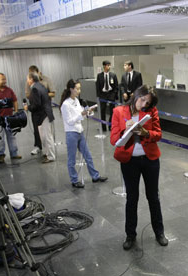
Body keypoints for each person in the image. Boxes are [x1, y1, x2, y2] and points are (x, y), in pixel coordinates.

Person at [110, 85, 168, 250]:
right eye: (142, 99)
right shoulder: (119, 111)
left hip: (150, 160)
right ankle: (130, 235)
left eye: (147, 102)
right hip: (129, 162)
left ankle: (159, 232)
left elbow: (158, 134)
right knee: (132, 198)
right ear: (136, 95)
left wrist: (146, 133)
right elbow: (114, 139)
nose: (143, 104)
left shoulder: (151, 112)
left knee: (153, 197)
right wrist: (125, 130)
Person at [60, 79, 107, 188]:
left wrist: (88, 111)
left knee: (88, 155)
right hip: (71, 133)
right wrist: (81, 114)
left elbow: (81, 114)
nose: (79, 91)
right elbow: (70, 121)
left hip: (80, 131)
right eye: (77, 88)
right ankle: (74, 180)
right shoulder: (65, 105)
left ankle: (95, 176)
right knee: (72, 159)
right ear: (71, 89)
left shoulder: (76, 100)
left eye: (79, 88)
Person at [25, 65, 56, 157]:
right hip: (43, 113)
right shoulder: (40, 85)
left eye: (28, 78)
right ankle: (47, 153)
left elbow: (37, 104)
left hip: (43, 114)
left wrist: (28, 108)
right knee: (43, 136)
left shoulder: (36, 88)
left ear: (31, 79)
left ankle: (50, 156)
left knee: (47, 136)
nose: (27, 81)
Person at [96, 60, 118, 132]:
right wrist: (99, 96)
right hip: (103, 95)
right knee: (102, 111)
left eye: (110, 65)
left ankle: (110, 125)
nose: (109, 67)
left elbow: (116, 86)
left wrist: (114, 94)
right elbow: (98, 87)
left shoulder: (113, 75)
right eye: (108, 65)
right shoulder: (99, 76)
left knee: (112, 111)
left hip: (111, 94)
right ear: (104, 66)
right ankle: (103, 127)